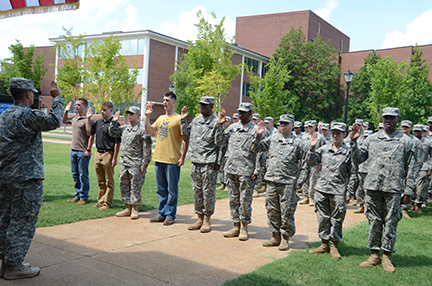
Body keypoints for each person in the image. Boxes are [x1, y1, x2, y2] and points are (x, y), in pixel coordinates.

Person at [0, 79, 64, 280]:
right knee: (23, 221)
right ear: (28, 94)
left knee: (5, 220)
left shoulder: (4, 115)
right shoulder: (26, 115)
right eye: (33, 93)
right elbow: (54, 121)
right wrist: (58, 98)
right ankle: (13, 266)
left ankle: (5, 262)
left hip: (5, 176)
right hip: (25, 178)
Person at [350, 107, 417, 273]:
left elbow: (412, 167)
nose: (388, 120)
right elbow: (358, 159)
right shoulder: (372, 139)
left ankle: (387, 256)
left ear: (397, 119)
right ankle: (374, 254)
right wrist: (353, 142)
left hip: (393, 189)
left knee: (391, 222)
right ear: (382, 119)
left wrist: (408, 190)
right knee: (373, 221)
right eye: (386, 117)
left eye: (392, 118)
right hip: (373, 187)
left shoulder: (406, 141)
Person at [254, 114, 309, 251]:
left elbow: (306, 164)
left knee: (287, 212)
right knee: (272, 211)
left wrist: (300, 181)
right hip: (272, 181)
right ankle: (275, 236)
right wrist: (258, 136)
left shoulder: (299, 143)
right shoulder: (272, 139)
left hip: (288, 184)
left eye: (285, 124)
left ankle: (285, 238)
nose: (282, 126)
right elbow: (256, 148)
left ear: (292, 125)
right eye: (280, 124)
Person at [307, 122, 358, 259]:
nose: (335, 135)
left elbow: (353, 174)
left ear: (344, 134)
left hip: (338, 191)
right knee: (323, 218)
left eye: (338, 133)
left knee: (337, 219)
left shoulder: (348, 152)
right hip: (322, 189)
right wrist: (311, 148)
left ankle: (334, 246)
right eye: (333, 132)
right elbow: (312, 162)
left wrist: (349, 193)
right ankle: (324, 244)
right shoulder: (324, 149)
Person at [216, 103, 261, 241]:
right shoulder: (233, 128)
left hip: (246, 171)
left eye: (244, 112)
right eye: (239, 111)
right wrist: (220, 126)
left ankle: (244, 227)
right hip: (231, 169)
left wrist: (257, 170)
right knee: (233, 200)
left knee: (245, 201)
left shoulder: (255, 130)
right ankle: (235, 226)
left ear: (251, 113)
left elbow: (260, 152)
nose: (240, 114)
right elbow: (219, 142)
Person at [144, 92, 188, 226]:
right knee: (161, 189)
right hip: (159, 158)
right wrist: (147, 116)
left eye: (167, 100)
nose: (164, 102)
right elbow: (148, 130)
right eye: (163, 100)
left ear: (174, 102)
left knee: (172, 190)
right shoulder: (160, 118)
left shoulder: (179, 119)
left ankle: (170, 215)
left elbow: (186, 139)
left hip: (172, 160)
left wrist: (183, 157)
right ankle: (161, 213)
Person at [181, 96, 221, 233]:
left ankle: (207, 220)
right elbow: (186, 136)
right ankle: (199, 218)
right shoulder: (196, 120)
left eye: (205, 104)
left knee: (208, 192)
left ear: (211, 106)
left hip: (209, 162)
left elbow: (221, 145)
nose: (201, 106)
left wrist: (219, 163)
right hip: (195, 161)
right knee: (197, 191)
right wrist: (183, 121)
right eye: (201, 104)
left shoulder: (216, 122)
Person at [108, 106, 152, 219]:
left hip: (136, 163)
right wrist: (114, 122)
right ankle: (128, 207)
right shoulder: (125, 128)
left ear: (138, 116)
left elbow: (147, 150)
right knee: (124, 185)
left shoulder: (143, 130)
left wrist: (144, 165)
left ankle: (135, 208)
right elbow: (112, 133)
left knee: (135, 186)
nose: (129, 115)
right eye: (128, 113)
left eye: (132, 114)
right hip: (124, 163)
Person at [86, 102, 121, 210]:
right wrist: (88, 119)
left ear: (111, 111)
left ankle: (108, 203)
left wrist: (114, 158)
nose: (102, 112)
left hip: (108, 153)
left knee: (108, 180)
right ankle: (100, 201)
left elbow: (117, 143)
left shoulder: (115, 124)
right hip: (98, 153)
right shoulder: (98, 122)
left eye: (104, 110)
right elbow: (89, 133)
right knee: (100, 180)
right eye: (101, 109)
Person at [64, 98, 94, 205]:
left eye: (79, 105)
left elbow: (90, 135)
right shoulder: (74, 118)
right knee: (75, 174)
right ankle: (77, 195)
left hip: (83, 152)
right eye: (76, 105)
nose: (77, 107)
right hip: (73, 151)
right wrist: (66, 111)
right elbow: (64, 121)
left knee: (83, 175)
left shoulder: (89, 119)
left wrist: (88, 150)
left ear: (85, 106)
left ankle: (84, 197)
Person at [299, 120, 325, 206]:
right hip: (304, 161)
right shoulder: (303, 137)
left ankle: (312, 197)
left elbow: (323, 151)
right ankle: (305, 196)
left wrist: (320, 163)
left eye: (311, 126)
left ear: (315, 127)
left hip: (314, 162)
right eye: (308, 126)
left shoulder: (320, 138)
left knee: (313, 179)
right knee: (305, 178)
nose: (309, 128)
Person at [412, 124, 432, 214]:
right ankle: (411, 203)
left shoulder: (428, 142)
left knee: (420, 188)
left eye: (418, 131)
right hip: (412, 167)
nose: (416, 133)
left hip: (424, 167)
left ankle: (419, 205)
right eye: (415, 131)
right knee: (411, 187)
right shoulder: (410, 140)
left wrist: (430, 168)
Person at [217, 116, 231, 191]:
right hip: (221, 151)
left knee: (226, 168)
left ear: (229, 122)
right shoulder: (222, 129)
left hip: (227, 151)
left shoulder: (230, 130)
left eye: (226, 121)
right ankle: (222, 183)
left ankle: (227, 184)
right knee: (221, 168)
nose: (225, 123)